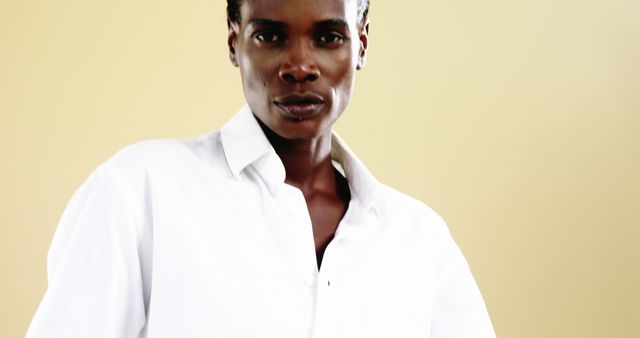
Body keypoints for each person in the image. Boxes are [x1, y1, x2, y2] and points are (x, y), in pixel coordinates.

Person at [26, 0, 496, 337]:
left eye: (328, 36)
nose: (298, 65)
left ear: (362, 44)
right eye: (269, 35)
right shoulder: (138, 194)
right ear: (235, 43)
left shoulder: (419, 241)